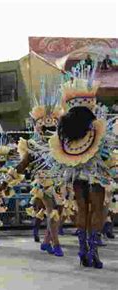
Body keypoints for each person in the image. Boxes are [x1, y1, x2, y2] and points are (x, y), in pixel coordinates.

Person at [49, 63, 117, 268]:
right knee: (97, 210)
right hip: (96, 175)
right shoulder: (99, 130)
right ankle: (93, 251)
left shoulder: (67, 136)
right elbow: (106, 153)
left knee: (82, 211)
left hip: (77, 175)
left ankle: (82, 250)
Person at [16, 79, 65, 256]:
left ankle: (46, 241)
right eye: (46, 127)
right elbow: (23, 164)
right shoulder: (33, 145)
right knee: (51, 212)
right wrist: (9, 177)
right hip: (43, 182)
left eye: (53, 127)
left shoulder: (62, 145)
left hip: (60, 183)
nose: (49, 130)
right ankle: (56, 245)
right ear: (39, 128)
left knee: (59, 214)